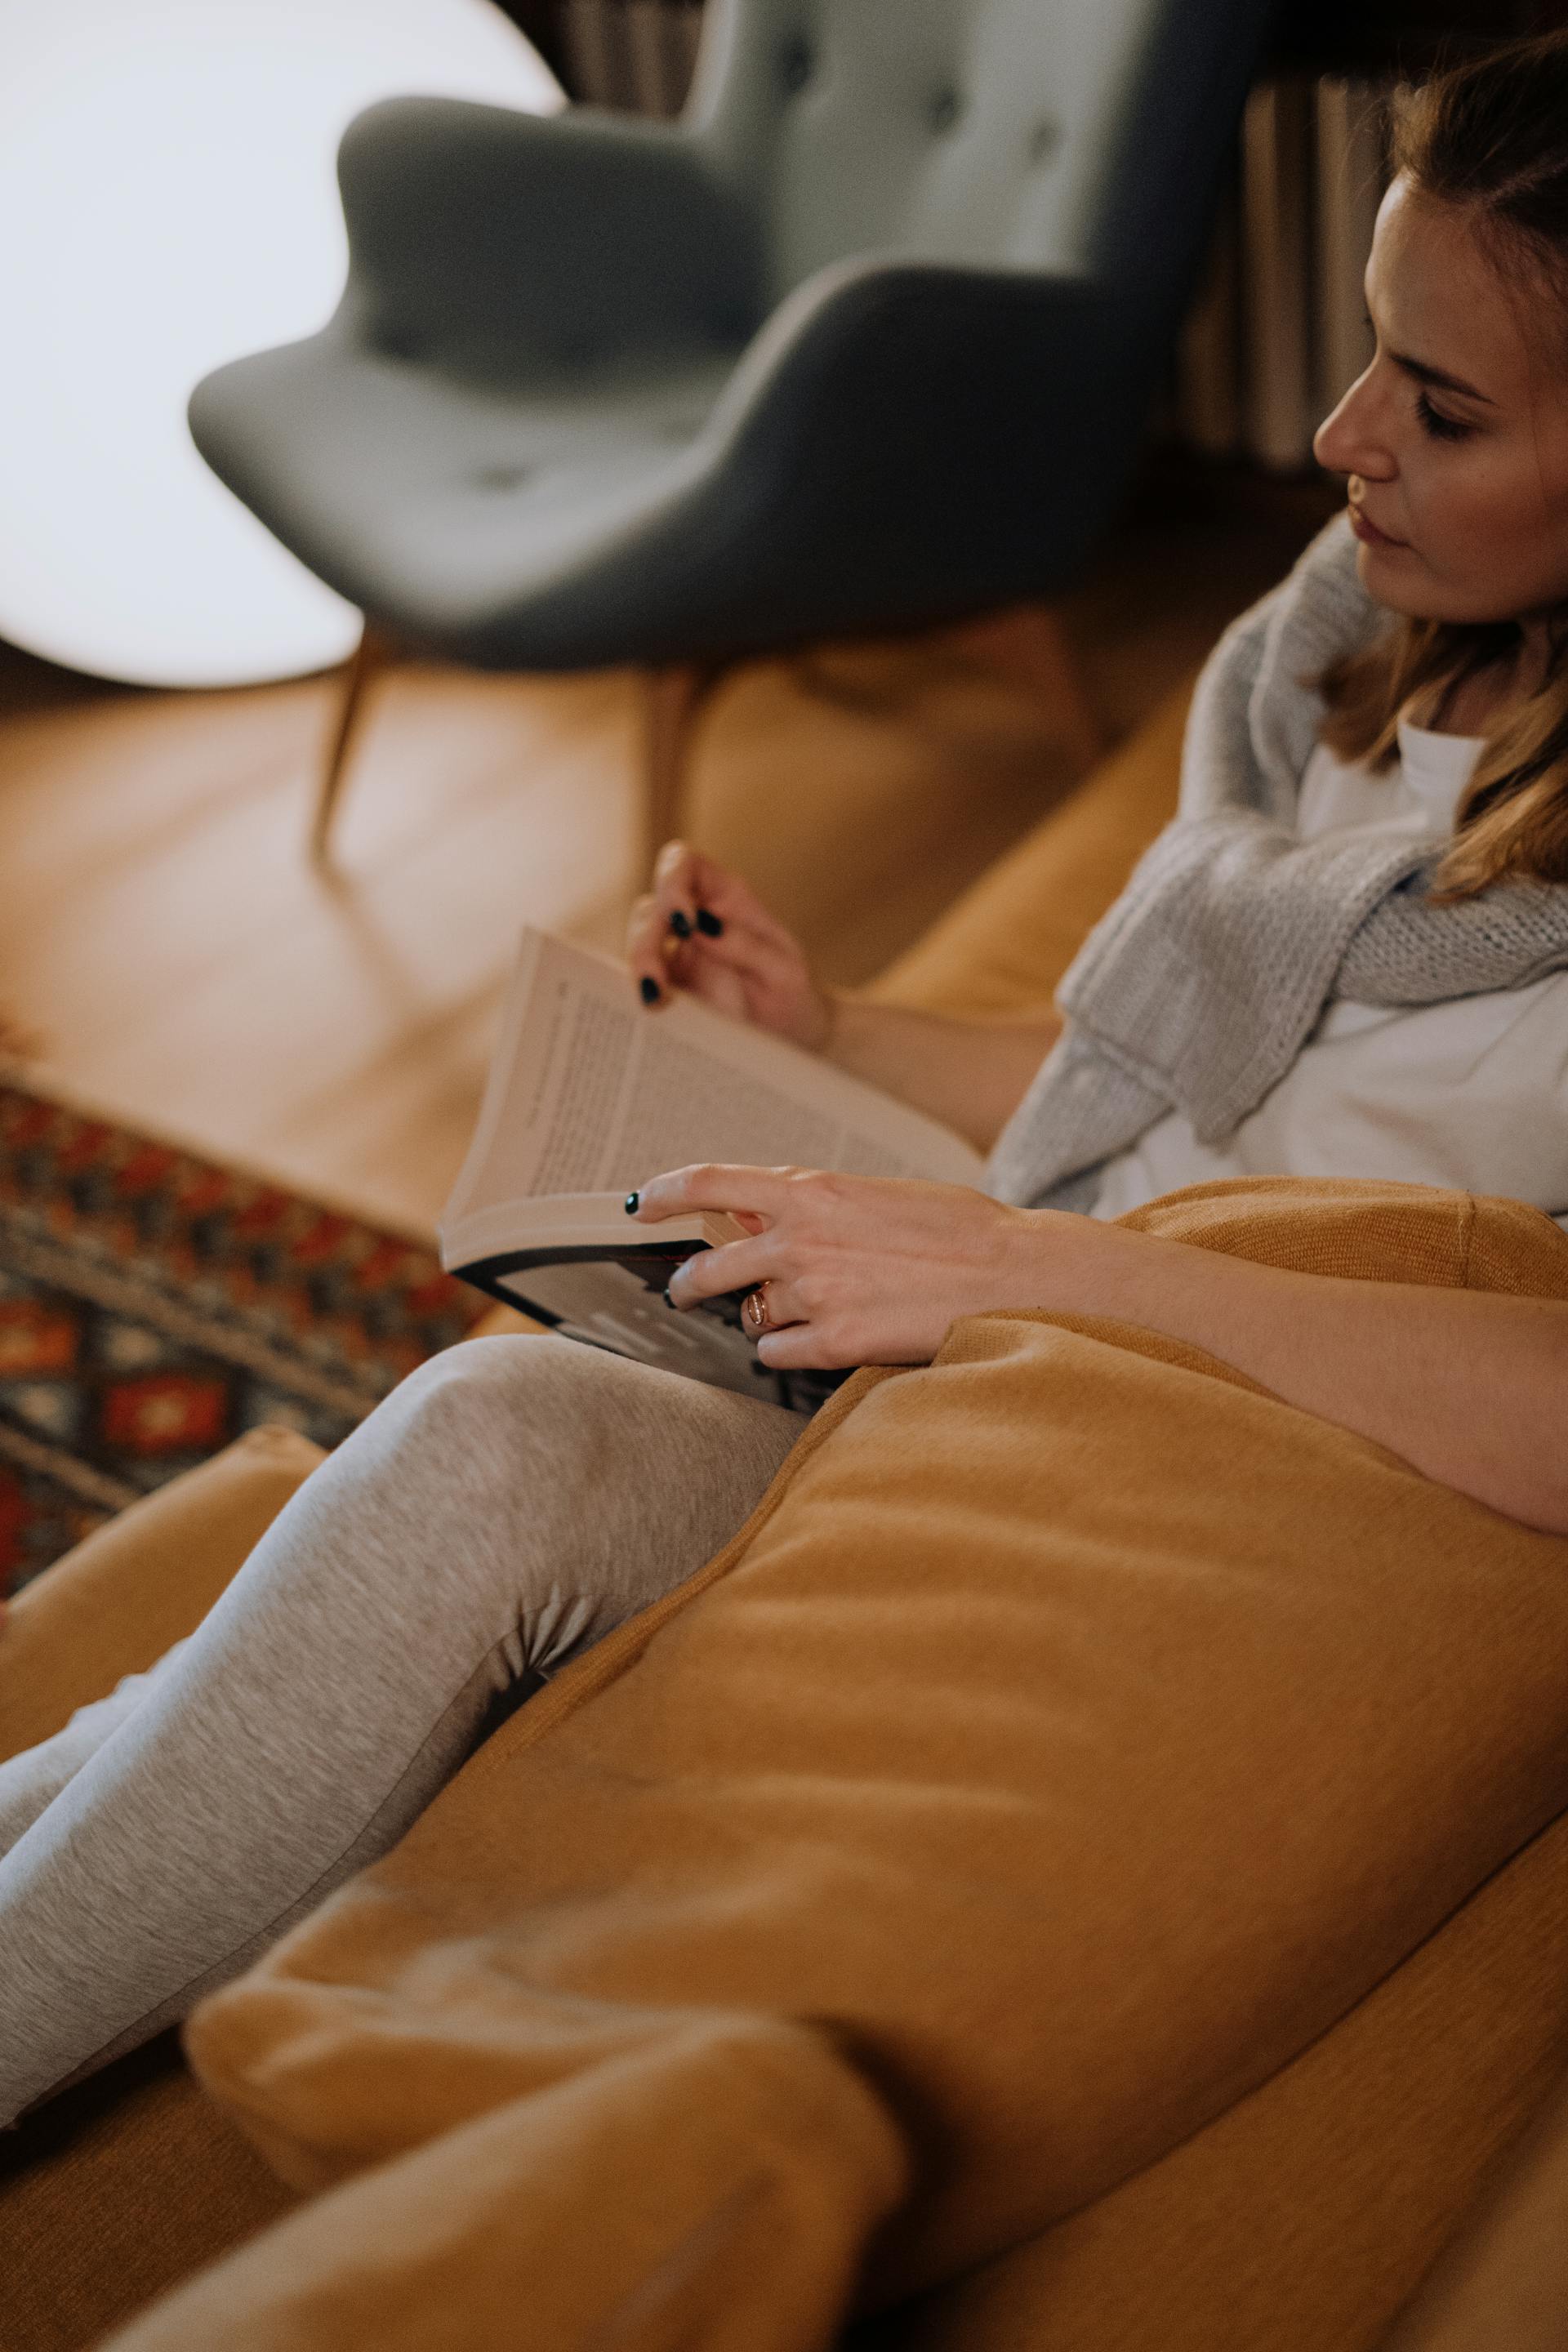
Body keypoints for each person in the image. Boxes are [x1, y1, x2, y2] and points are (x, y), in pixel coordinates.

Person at [4, 31, 1568, 2134]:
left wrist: (1028, 1279)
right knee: (433, 1489)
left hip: (1214, 1456)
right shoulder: (1348, 653)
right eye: (1374, 352)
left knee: (482, 1451)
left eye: (1440, 408)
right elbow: (1185, 1080)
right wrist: (830, 1036)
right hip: (1055, 1321)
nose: (1336, 436)